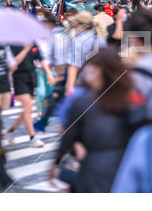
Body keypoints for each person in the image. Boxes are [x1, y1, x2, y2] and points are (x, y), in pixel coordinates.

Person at [51, 49, 132, 192]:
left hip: (95, 165)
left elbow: (68, 135)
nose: (90, 72)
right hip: (124, 165)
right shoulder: (129, 98)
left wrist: (55, 163)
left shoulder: (83, 101)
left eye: (95, 67)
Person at [6, 45, 54, 148]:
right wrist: (25, 49)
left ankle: (11, 130)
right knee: (28, 107)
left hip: (31, 78)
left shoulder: (33, 43)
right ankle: (33, 137)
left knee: (25, 110)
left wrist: (49, 73)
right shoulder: (14, 45)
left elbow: (41, 60)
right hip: (19, 79)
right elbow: (14, 63)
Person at [64, 11, 107, 96]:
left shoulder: (76, 41)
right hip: (99, 83)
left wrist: (69, 88)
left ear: (79, 25)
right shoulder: (100, 40)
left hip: (81, 83)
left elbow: (73, 66)